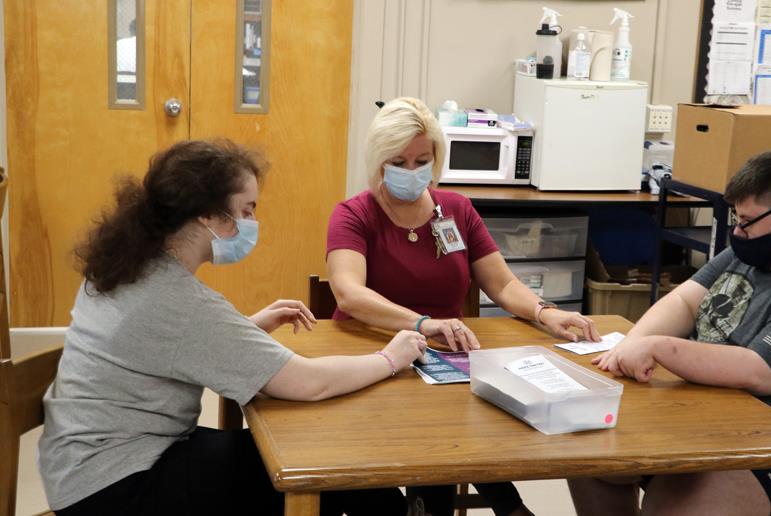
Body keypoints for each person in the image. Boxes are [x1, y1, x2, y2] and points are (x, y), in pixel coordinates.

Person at [38, 140, 426, 516]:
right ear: (208, 215)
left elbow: (168, 347)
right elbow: (309, 383)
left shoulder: (131, 265)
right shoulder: (178, 300)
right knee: (337, 470)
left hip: (86, 466)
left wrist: (246, 328)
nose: (252, 223)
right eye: (247, 210)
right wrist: (390, 358)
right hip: (117, 487)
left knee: (313, 457)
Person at [569, 148, 771, 516]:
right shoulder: (761, 251)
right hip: (720, 421)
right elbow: (685, 302)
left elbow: (759, 371)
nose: (738, 232)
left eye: (746, 221)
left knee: (670, 506)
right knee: (586, 457)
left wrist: (660, 349)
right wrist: (632, 346)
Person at [325, 97, 600, 515]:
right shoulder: (354, 215)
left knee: (475, 419)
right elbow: (349, 293)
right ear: (378, 160)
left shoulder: (454, 209)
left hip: (447, 359)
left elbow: (503, 283)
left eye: (423, 160)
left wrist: (547, 312)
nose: (413, 171)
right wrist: (423, 324)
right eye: (399, 161)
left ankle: (495, 507)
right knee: (428, 433)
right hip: (375, 356)